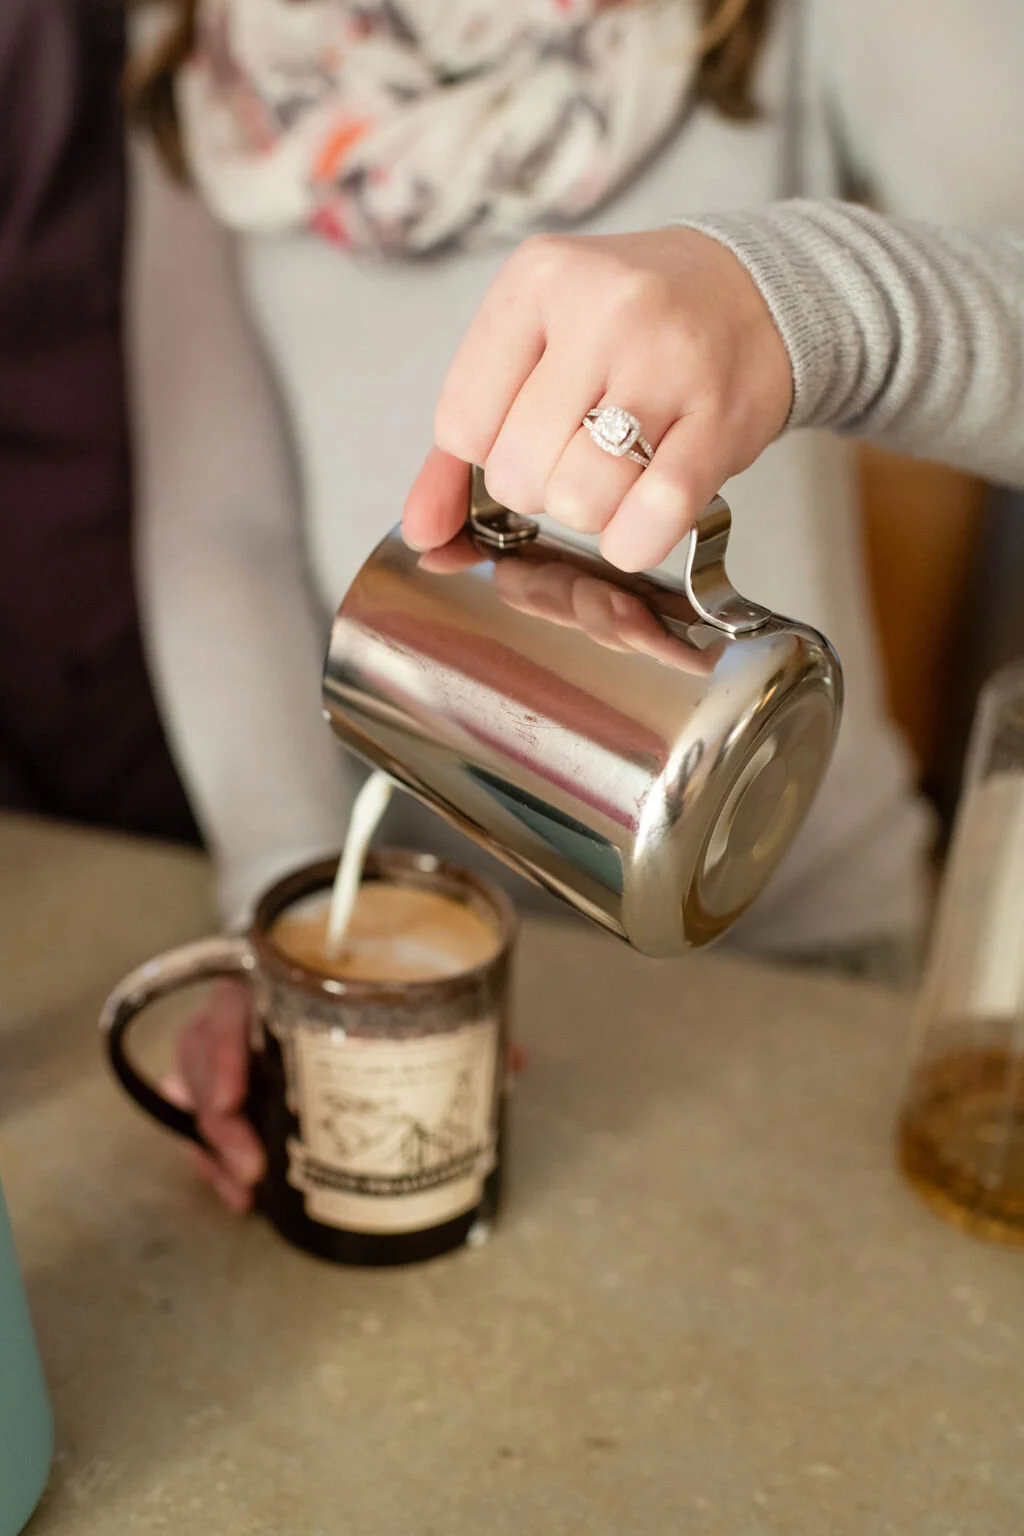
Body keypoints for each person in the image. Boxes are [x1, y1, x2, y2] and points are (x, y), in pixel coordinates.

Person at [124, 0, 1024, 1208]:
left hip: (799, 967)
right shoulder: (203, 42)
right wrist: (290, 912)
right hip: (428, 982)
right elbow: (220, 527)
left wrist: (803, 300)